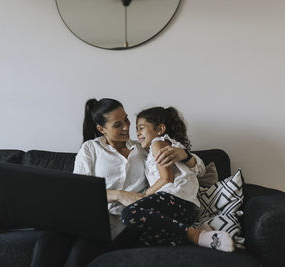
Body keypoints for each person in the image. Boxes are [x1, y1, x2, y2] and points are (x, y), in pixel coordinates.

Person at [73, 98, 199, 241]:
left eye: (126, 119)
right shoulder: (90, 148)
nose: (126, 127)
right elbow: (81, 193)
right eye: (117, 125)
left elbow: (197, 170)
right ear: (101, 129)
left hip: (137, 220)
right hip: (99, 221)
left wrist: (186, 155)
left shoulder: (143, 147)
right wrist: (119, 195)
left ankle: (193, 234)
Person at [120, 106, 234, 252]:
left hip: (174, 196)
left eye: (141, 128)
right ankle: (199, 230)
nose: (137, 133)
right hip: (184, 208)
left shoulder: (158, 143)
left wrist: (145, 194)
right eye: (136, 129)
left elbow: (167, 178)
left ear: (160, 129)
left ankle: (196, 235)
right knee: (144, 241)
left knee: (129, 213)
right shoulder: (161, 147)